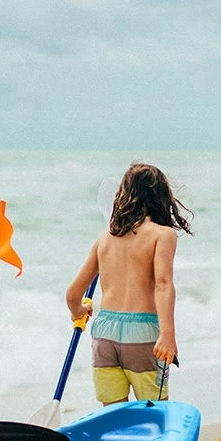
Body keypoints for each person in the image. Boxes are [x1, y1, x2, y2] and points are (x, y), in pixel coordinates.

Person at [64, 162, 193, 405]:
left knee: (114, 417)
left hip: (104, 334)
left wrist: (78, 312)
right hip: (142, 335)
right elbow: (163, 285)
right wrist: (167, 334)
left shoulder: (105, 238)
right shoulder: (162, 235)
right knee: (154, 412)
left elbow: (73, 294)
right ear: (161, 197)